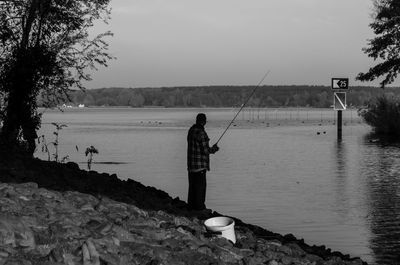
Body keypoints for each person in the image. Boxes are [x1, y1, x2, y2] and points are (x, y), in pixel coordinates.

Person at [187, 113, 219, 211]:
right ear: (204, 121)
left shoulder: (191, 131)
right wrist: (214, 149)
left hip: (191, 166)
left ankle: (191, 207)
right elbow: (206, 151)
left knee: (192, 188)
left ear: (196, 120)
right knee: (200, 188)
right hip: (200, 167)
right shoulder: (201, 133)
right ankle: (200, 209)